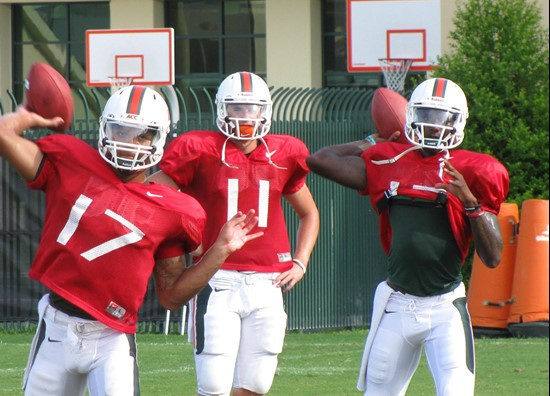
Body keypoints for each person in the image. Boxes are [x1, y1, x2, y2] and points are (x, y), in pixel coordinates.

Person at [0, 85, 263, 396]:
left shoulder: (175, 209)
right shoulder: (71, 159)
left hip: (112, 338)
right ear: (104, 128)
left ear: (159, 139)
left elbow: (171, 297)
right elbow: (5, 136)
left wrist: (219, 251)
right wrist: (25, 116)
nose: (128, 143)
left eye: (142, 135)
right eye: (120, 130)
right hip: (56, 326)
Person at [306, 78, 509, 396]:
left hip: (445, 307)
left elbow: (493, 257)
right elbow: (319, 160)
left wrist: (470, 203)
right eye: (426, 114)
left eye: (442, 118)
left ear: (458, 121)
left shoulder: (476, 169)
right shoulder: (389, 159)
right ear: (411, 116)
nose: (433, 125)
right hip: (397, 305)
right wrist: (370, 141)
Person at [149, 71, 320, 396]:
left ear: (265, 111)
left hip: (268, 282)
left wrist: (300, 261)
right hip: (217, 280)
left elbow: (309, 213)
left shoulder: (284, 153)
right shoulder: (199, 148)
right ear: (221, 110)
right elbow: (154, 194)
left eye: (251, 108)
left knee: (256, 384)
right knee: (213, 384)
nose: (244, 117)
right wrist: (192, 236)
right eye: (236, 108)